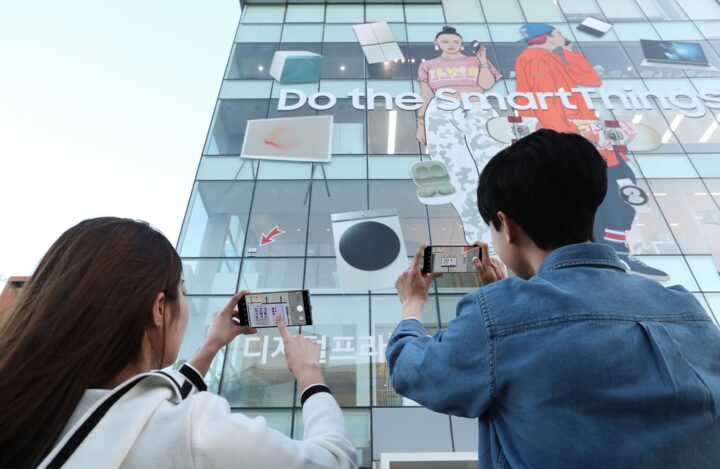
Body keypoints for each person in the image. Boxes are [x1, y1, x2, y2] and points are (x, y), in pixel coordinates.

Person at [386, 129, 720, 468]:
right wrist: (500, 300)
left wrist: (412, 303)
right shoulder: (685, 307)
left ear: (506, 225)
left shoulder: (498, 315)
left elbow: (412, 371)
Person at [0, 217, 356, 469]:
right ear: (158, 308)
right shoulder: (196, 431)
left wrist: (210, 347)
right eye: (182, 291)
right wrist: (309, 373)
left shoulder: (33, 408)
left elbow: (136, 408)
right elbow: (335, 460)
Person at [514, 23, 669, 280]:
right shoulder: (535, 58)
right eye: (558, 33)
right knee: (603, 195)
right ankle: (608, 255)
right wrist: (570, 138)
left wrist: (569, 51)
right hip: (577, 139)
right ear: (548, 36)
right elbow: (545, 101)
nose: (562, 36)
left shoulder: (552, 56)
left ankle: (616, 252)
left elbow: (591, 80)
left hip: (589, 136)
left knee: (618, 189)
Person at [416, 25, 505, 245]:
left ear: (461, 43)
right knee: (456, 173)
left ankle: (507, 231)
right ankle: (481, 240)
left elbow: (486, 84)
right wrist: (421, 124)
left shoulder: (475, 61)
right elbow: (426, 96)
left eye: (455, 41)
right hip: (440, 112)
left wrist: (483, 60)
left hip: (477, 108)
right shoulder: (428, 65)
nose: (451, 45)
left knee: (496, 164)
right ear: (437, 43)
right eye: (445, 41)